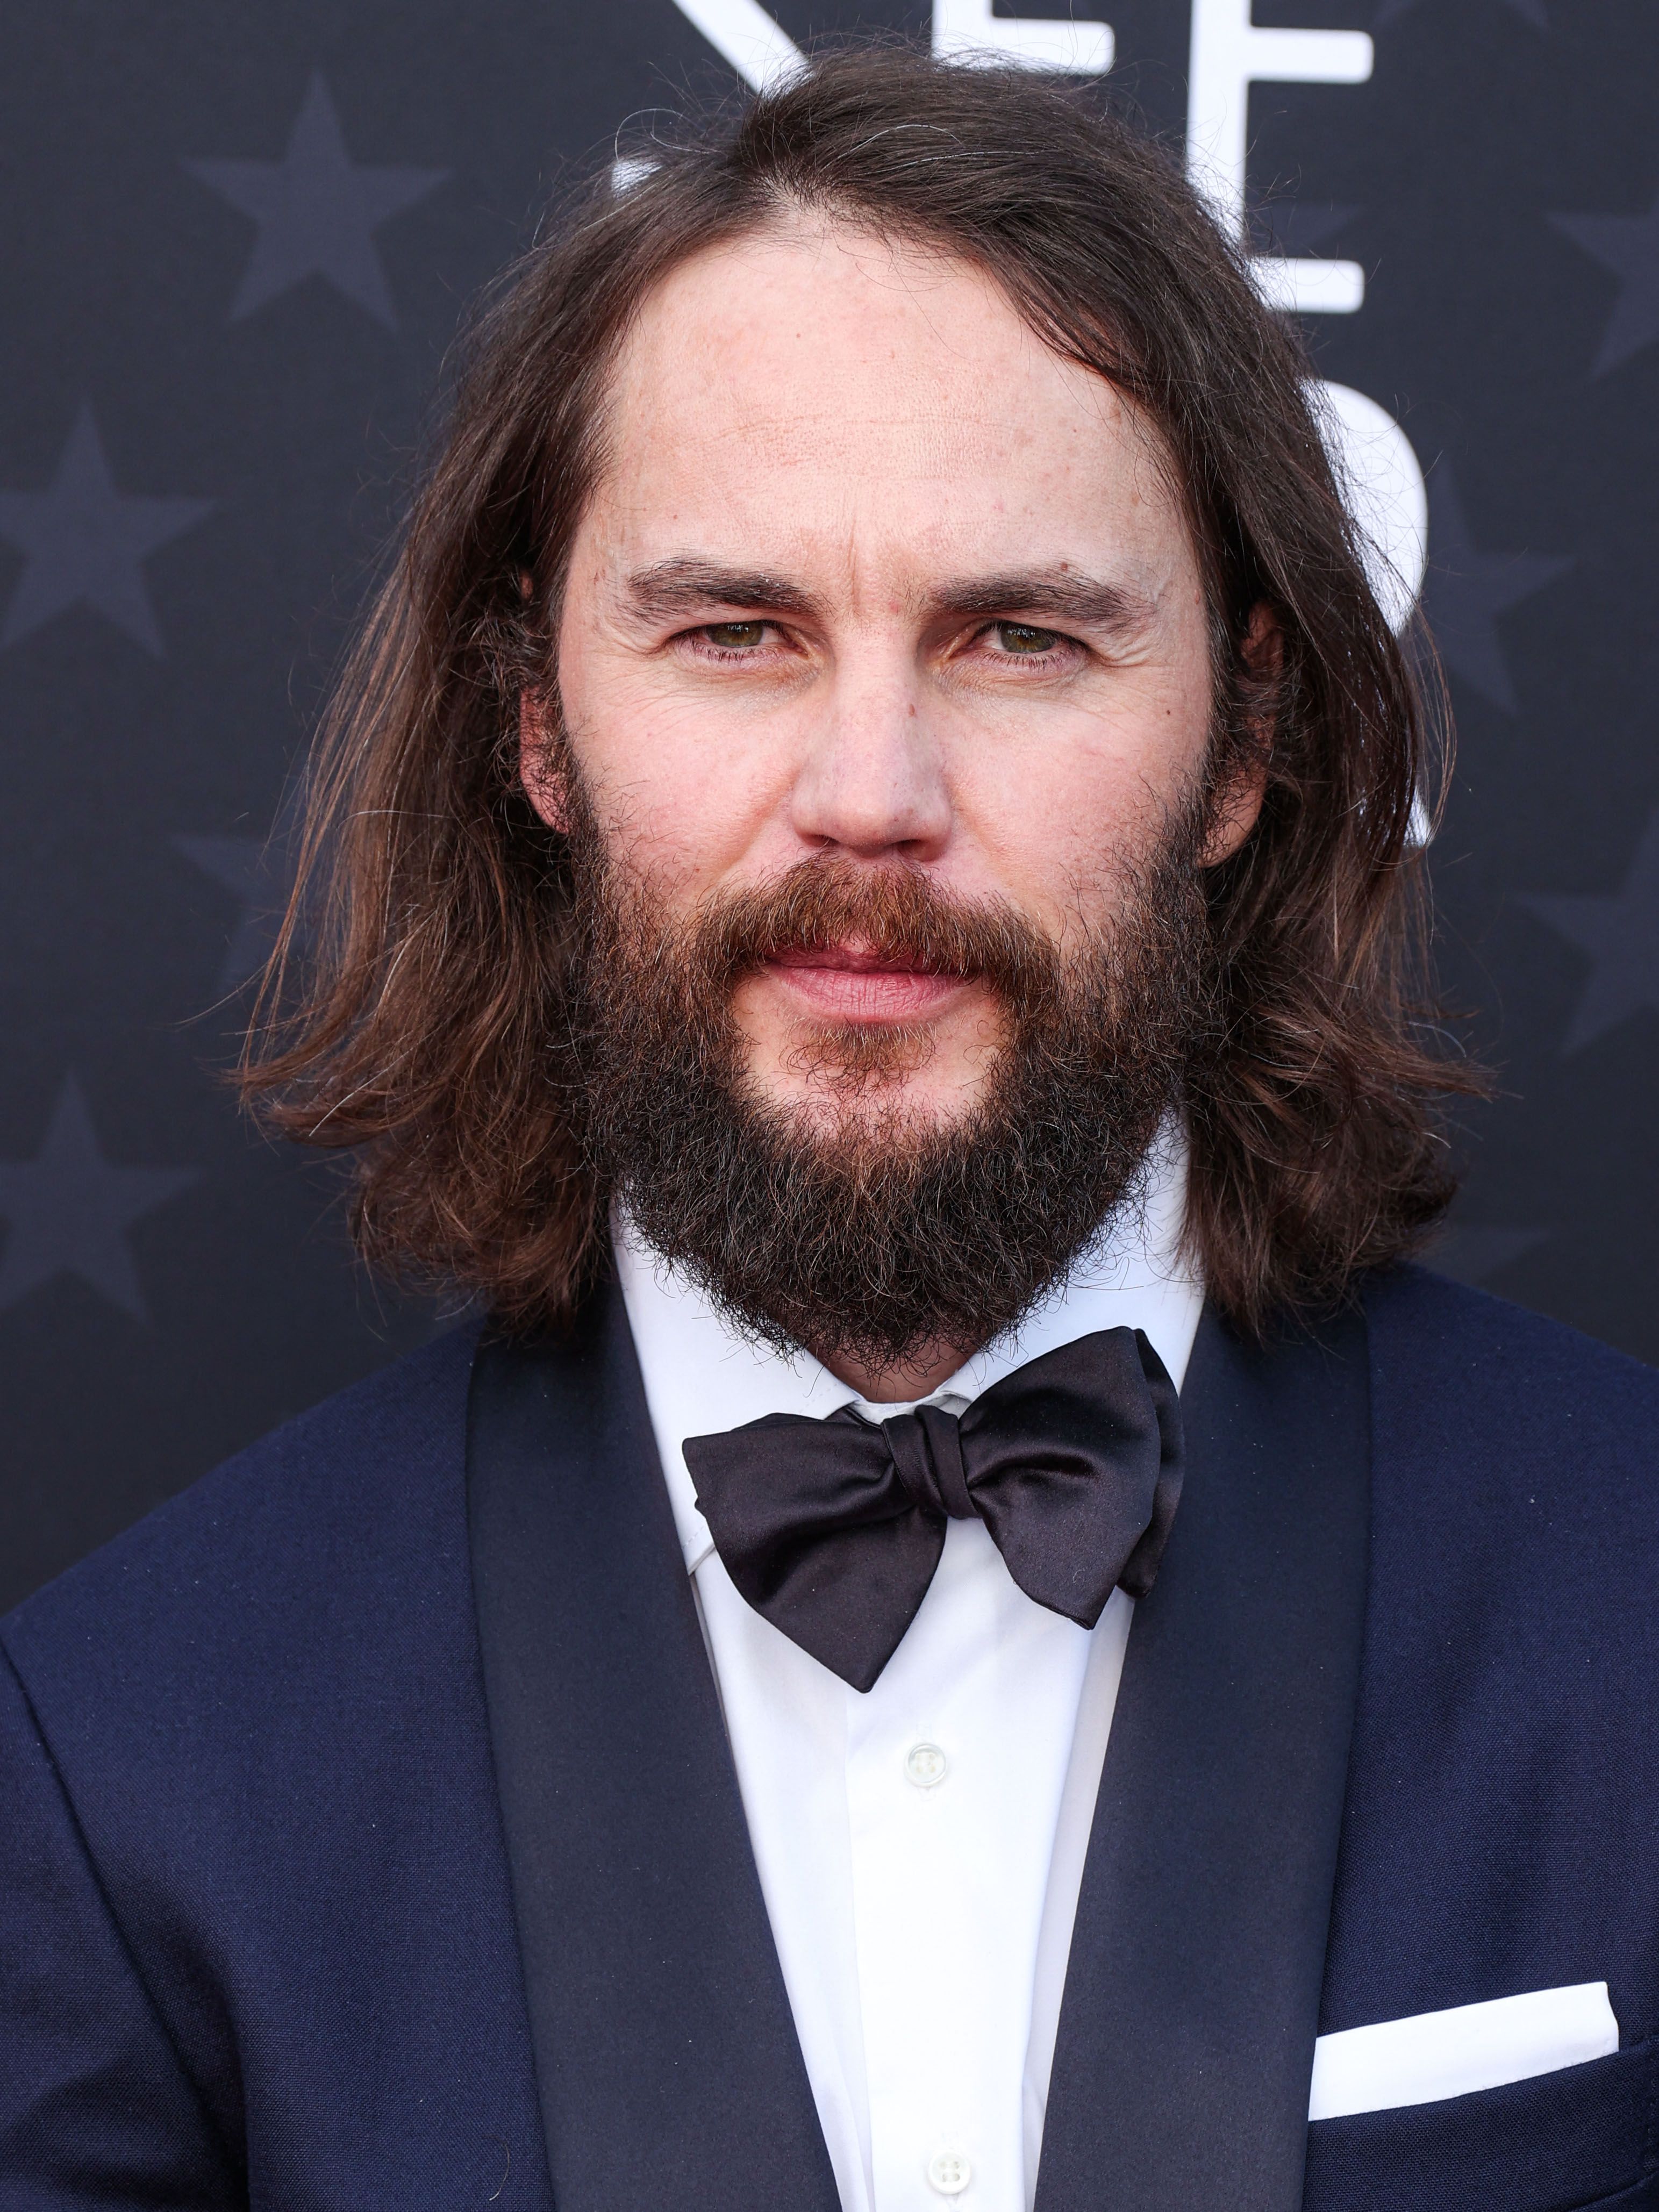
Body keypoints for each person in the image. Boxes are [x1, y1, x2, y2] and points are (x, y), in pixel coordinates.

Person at [3, 47, 1655, 2212]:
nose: (871, 789)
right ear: (537, 727)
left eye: (1023, 636)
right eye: (735, 633)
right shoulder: (126, 1748)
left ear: (1245, 743)